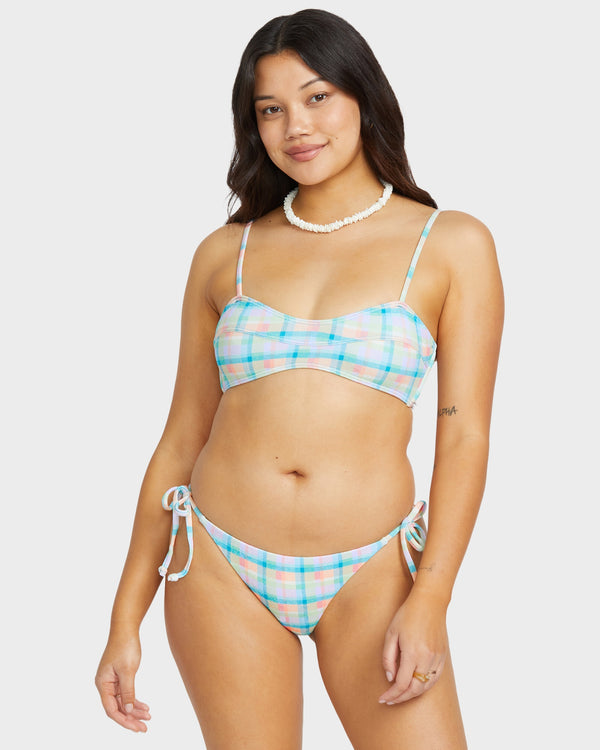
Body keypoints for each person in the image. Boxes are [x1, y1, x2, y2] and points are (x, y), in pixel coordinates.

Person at [95, 9, 503, 748]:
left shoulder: (450, 243)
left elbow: (465, 435)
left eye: (317, 97)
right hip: (219, 563)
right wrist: (126, 617)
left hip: (372, 569)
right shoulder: (225, 253)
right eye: (270, 109)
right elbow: (181, 438)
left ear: (363, 96)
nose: (296, 127)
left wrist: (433, 599)